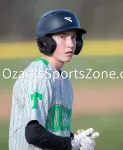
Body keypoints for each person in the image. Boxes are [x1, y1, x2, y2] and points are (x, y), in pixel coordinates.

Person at [9, 9, 99, 150]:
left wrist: (75, 140)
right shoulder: (38, 75)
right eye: (63, 37)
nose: (70, 44)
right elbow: (34, 134)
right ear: (46, 41)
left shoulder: (63, 79)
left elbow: (51, 130)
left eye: (74, 37)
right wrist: (71, 144)